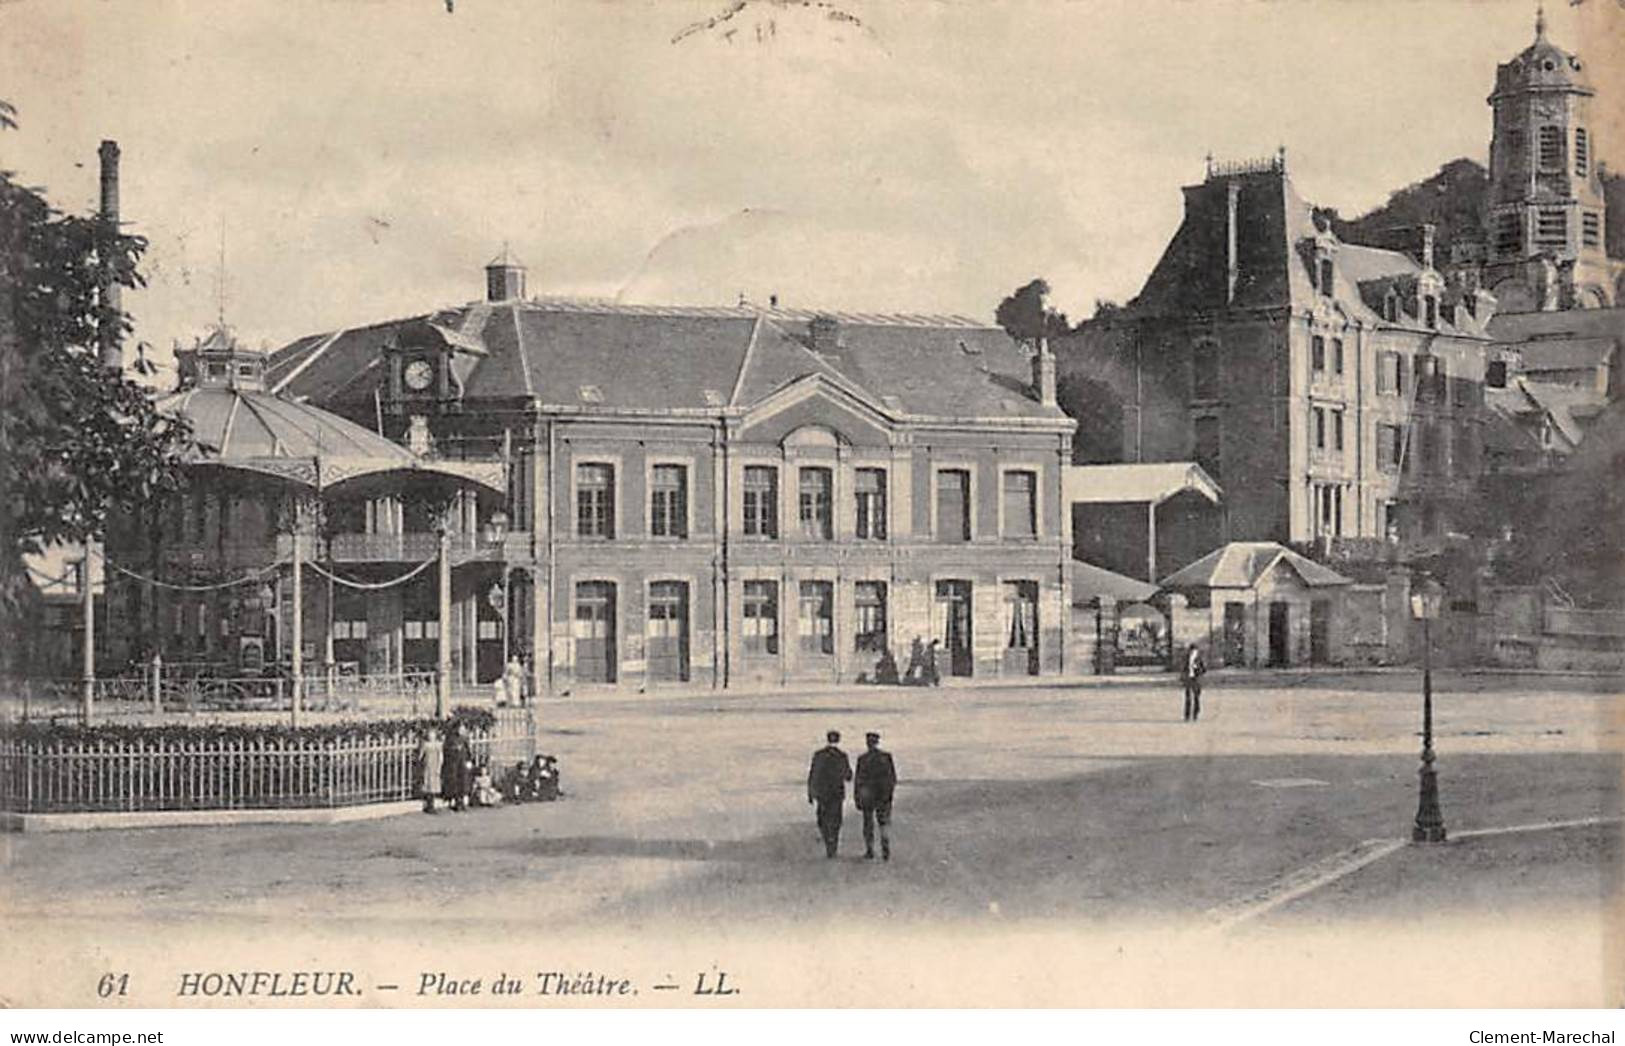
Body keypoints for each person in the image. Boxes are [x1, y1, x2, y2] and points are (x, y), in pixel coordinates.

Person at [806, 729, 852, 859]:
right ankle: (833, 845)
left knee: (822, 819)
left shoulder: (819, 755)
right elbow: (848, 776)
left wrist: (810, 792)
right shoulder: (842, 756)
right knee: (836, 820)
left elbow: (813, 774)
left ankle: (828, 841)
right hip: (837, 793)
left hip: (823, 793)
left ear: (827, 739)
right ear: (838, 740)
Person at [853, 731, 897, 861]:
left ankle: (870, 849)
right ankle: (885, 844)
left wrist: (857, 796)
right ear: (877, 742)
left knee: (868, 823)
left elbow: (858, 780)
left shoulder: (862, 759)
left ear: (867, 743)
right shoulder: (886, 757)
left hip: (868, 796)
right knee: (883, 822)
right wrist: (890, 793)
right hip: (883, 795)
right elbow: (892, 777)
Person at [441, 721, 473, 812]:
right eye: (461, 728)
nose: (462, 730)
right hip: (454, 764)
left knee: (464, 782)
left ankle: (462, 801)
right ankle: (456, 801)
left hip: (463, 763)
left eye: (463, 729)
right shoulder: (451, 739)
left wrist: (469, 760)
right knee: (455, 782)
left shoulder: (465, 739)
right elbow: (446, 751)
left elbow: (468, 750)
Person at [416, 725, 444, 814]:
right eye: (429, 734)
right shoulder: (425, 744)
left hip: (435, 765)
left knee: (434, 785)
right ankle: (429, 804)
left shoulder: (438, 745)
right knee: (428, 784)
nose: (431, 736)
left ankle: (432, 803)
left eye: (432, 734)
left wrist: (439, 766)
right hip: (427, 766)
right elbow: (420, 755)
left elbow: (440, 756)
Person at [1181, 642, 1207, 722]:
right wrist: (1183, 677)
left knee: (1196, 698)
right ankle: (1187, 715)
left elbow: (1204, 669)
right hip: (1189, 679)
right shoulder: (1186, 658)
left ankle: (1195, 714)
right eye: (1191, 651)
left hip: (1196, 679)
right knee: (1188, 698)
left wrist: (1197, 668)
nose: (1192, 652)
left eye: (1194, 651)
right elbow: (1183, 668)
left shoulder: (1199, 658)